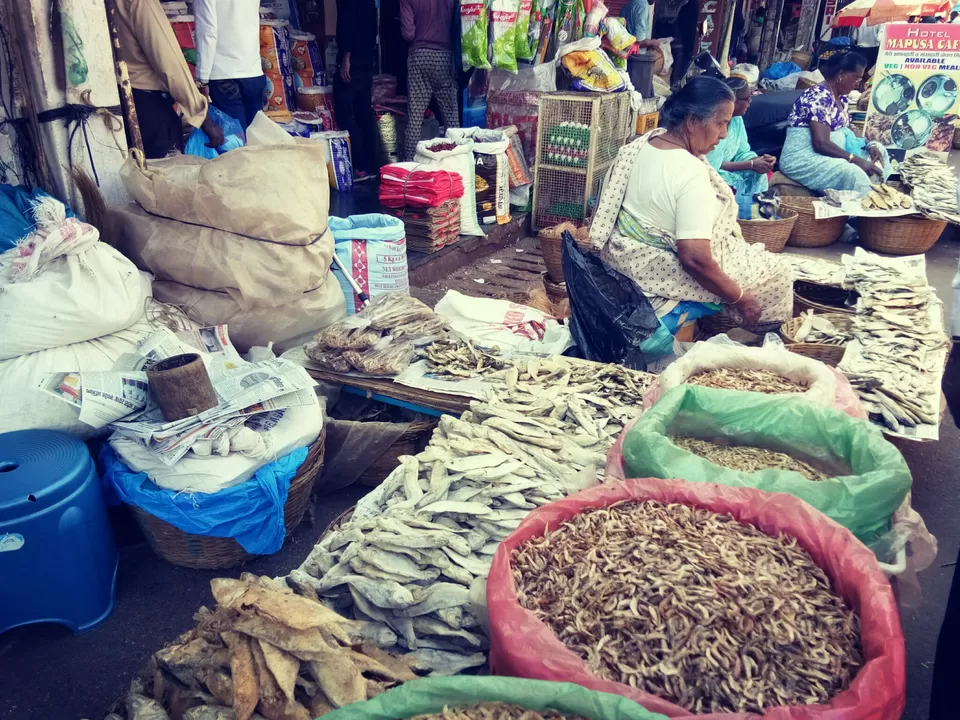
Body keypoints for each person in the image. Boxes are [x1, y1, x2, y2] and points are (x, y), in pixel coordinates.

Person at [590, 76, 793, 342]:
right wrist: (740, 298)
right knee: (780, 272)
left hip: (625, 258)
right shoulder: (690, 172)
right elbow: (695, 259)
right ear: (693, 121)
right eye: (721, 123)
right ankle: (756, 339)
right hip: (655, 270)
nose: (723, 134)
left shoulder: (643, 144)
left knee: (752, 255)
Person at [114, 0, 224, 158]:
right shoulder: (140, 3)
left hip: (119, 100)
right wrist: (200, 114)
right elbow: (170, 64)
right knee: (163, 174)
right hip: (148, 106)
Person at [779, 51, 889, 195]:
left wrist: (870, 144)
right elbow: (820, 143)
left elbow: (848, 127)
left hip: (829, 154)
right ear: (841, 75)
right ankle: (859, 214)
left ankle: (880, 197)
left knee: (880, 151)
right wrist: (854, 159)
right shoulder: (818, 97)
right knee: (853, 173)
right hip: (804, 158)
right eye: (856, 78)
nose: (858, 84)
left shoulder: (840, 97)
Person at [706, 77, 775, 219]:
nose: (750, 102)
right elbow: (711, 165)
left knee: (758, 173)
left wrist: (760, 160)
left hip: (729, 170)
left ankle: (755, 215)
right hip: (711, 176)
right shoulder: (712, 122)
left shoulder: (737, 120)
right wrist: (750, 164)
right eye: (747, 98)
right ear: (734, 101)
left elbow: (743, 152)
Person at [193, 0, 266, 129]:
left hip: (223, 73)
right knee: (256, 136)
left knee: (235, 140)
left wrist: (202, 78)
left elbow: (207, 32)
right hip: (252, 70)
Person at [401, 0, 459, 160]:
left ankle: (409, 163)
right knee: (451, 116)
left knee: (415, 117)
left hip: (420, 56)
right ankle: (456, 160)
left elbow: (408, 33)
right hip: (445, 57)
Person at [336, 0, 380, 179]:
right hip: (366, 60)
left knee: (344, 113)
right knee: (363, 113)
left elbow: (347, 25)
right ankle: (369, 164)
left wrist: (346, 57)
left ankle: (358, 165)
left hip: (353, 62)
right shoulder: (369, 3)